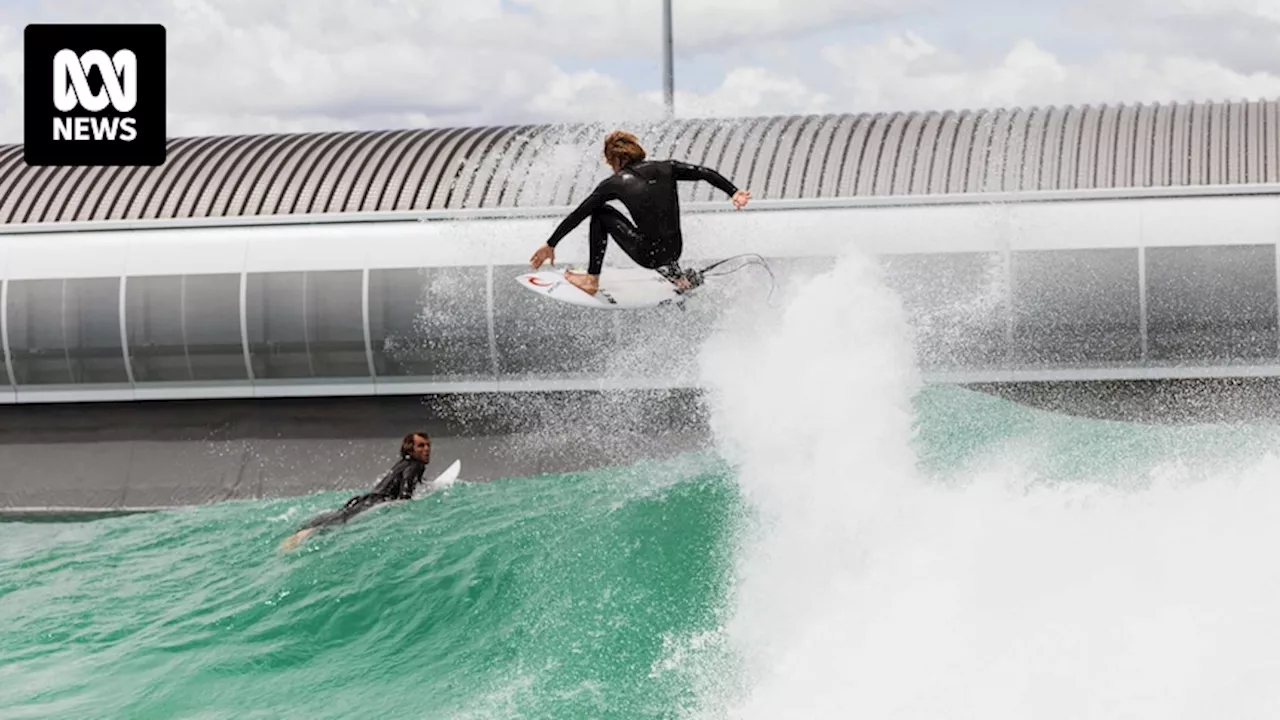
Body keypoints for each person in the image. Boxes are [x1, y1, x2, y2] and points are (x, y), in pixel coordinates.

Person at [529, 130, 752, 296]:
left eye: (610, 162)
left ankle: (591, 280)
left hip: (649, 256)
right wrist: (733, 191)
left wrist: (551, 243)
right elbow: (704, 173)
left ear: (616, 160)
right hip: (675, 251)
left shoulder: (615, 183)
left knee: (600, 213)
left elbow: (579, 214)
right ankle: (678, 276)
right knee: (658, 222)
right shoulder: (667, 167)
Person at [279, 431, 432, 552]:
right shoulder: (415, 465)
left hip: (365, 499)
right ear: (410, 449)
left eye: (428, 445)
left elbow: (401, 480)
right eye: (421, 446)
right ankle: (299, 539)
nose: (426, 449)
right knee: (338, 523)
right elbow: (405, 491)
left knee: (338, 516)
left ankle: (297, 535)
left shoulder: (403, 463)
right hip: (374, 503)